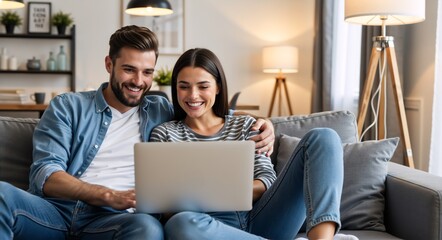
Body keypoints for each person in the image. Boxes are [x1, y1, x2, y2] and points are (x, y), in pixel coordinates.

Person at [0, 26, 275, 239]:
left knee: (148, 228)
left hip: (117, 221)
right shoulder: (68, 106)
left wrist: (263, 124)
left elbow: (204, 114)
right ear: (109, 65)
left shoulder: (160, 111)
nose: (138, 81)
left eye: (147, 72)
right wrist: (106, 195)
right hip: (56, 212)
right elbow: (45, 174)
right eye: (129, 70)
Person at [149, 48, 344, 240]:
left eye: (203, 86)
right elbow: (163, 207)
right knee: (180, 223)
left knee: (324, 137)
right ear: (176, 88)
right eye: (184, 86)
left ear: (217, 87)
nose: (193, 95)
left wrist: (218, 192)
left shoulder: (245, 125)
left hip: (261, 219)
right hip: (205, 228)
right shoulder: (164, 134)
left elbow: (267, 180)